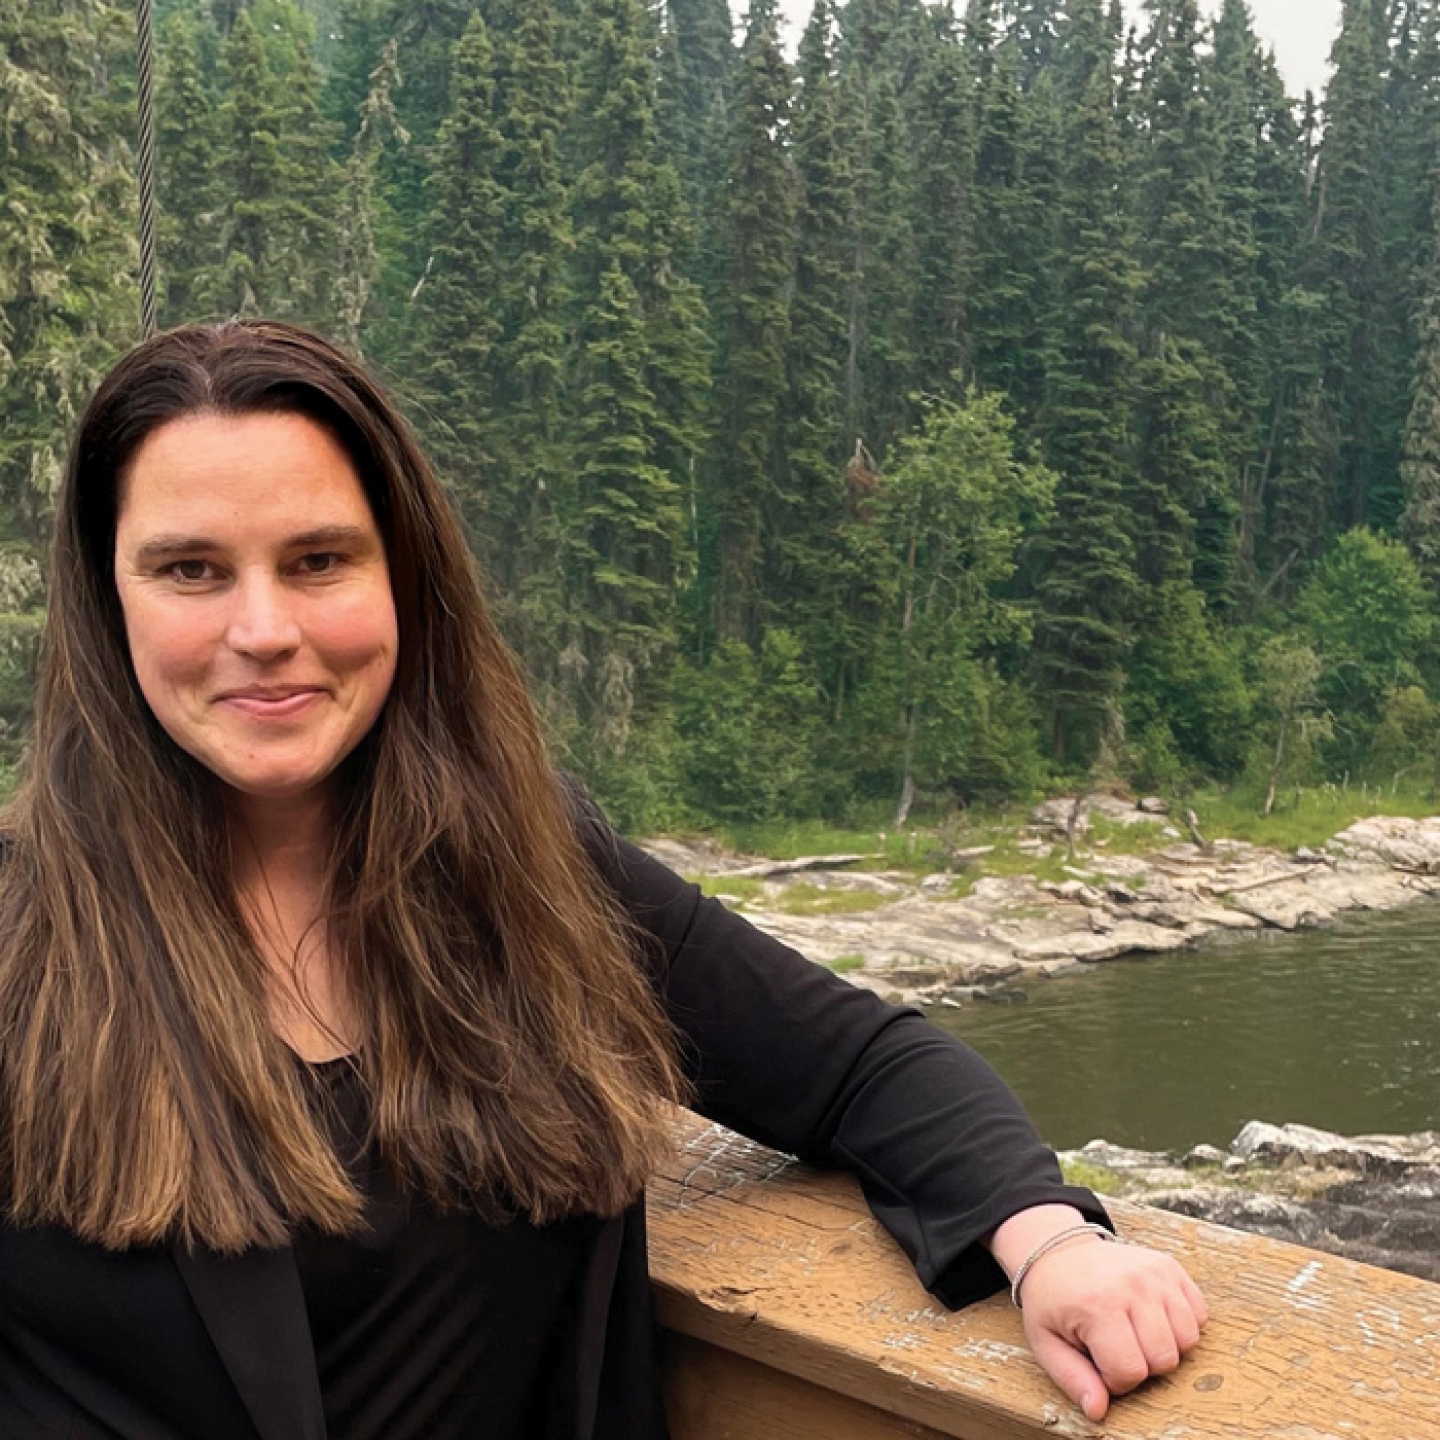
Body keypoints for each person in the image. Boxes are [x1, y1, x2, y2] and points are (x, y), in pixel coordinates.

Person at [0, 320, 1204, 1439]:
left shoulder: (530, 873)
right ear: (110, 601)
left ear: (405, 580)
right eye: (190, 570)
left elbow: (860, 1068)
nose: (263, 628)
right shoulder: (21, 935)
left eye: (319, 559)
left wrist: (1052, 1243)